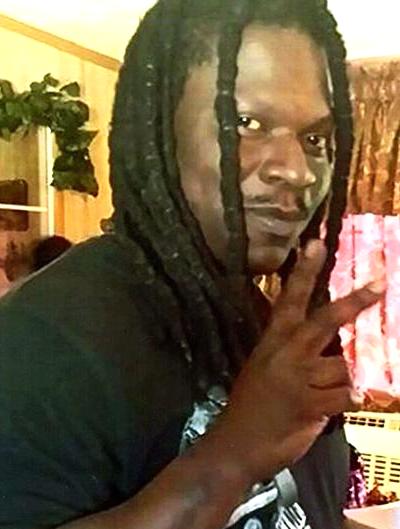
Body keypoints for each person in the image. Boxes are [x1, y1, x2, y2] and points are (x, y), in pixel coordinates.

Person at [0, 1, 383, 528]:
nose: (297, 171)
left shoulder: (264, 322)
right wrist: (232, 457)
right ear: (159, 130)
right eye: (245, 123)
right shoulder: (43, 341)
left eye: (315, 139)